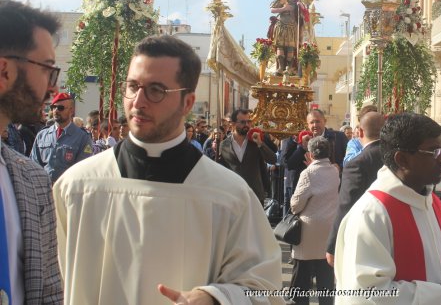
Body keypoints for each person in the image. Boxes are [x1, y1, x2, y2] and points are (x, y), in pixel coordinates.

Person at [53, 35, 283, 305]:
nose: (138, 102)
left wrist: (215, 298)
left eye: (156, 90)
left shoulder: (230, 195)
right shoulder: (77, 187)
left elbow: (264, 289)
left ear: (187, 103)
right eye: (132, 86)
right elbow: (49, 285)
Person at [334, 112, 441, 304]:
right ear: (402, 159)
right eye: (434, 152)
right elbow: (367, 292)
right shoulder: (372, 212)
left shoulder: (433, 203)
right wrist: (440, 294)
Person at [0, 0, 63, 303]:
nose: (52, 87)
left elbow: (49, 291)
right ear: (4, 70)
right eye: (47, 69)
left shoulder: (34, 181)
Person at [325, 111, 385, 266]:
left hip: (364, 232)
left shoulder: (357, 163)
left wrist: (332, 246)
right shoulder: (397, 157)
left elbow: (346, 204)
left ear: (360, 132)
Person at [289, 136, 340, 305]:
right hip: (329, 228)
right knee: (325, 278)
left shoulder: (308, 173)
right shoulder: (334, 171)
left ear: (310, 153)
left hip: (308, 230)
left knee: (302, 278)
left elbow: (296, 204)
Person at [30, 92, 93, 182]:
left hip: (67, 190)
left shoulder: (82, 137)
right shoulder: (42, 135)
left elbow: (82, 169)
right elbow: (34, 164)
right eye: (53, 107)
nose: (56, 110)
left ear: (71, 110)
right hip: (43, 189)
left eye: (60, 108)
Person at [216, 109, 275, 203]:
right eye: (243, 122)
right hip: (233, 196)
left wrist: (260, 144)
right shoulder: (224, 145)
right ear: (233, 124)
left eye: (249, 122)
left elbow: (273, 159)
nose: (247, 125)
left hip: (254, 195)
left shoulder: (256, 141)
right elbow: (220, 169)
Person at [284, 109, 348, 192]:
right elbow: (289, 165)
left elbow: (350, 159)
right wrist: (302, 148)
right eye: (311, 122)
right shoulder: (299, 139)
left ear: (324, 121)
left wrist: (340, 166)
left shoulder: (338, 137)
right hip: (308, 189)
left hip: (333, 188)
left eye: (318, 121)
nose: (315, 125)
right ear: (307, 124)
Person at [268, 0, 307, 76]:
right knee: (280, 46)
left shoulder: (297, 2)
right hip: (281, 26)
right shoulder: (282, 0)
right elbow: (272, 10)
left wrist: (301, 8)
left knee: (290, 48)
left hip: (292, 27)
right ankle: (280, 67)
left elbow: (303, 16)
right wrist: (283, 8)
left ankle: (288, 67)